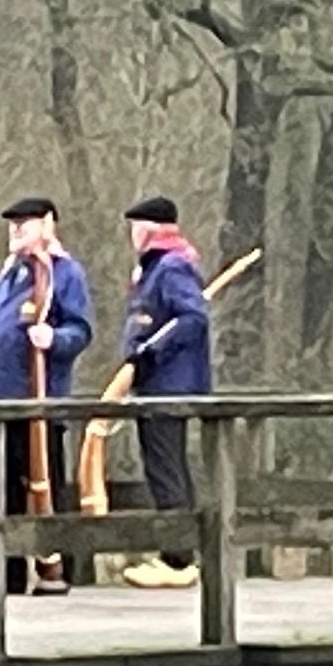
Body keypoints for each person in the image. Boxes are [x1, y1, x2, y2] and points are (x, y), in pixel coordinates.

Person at [0, 197, 93, 596]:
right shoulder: (10, 275)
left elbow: (81, 329)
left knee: (45, 485)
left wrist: (54, 339)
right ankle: (8, 575)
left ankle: (59, 568)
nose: (16, 230)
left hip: (37, 400)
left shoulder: (63, 274)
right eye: (13, 224)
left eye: (25, 223)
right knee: (2, 493)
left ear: (47, 225)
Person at [118, 196, 210, 589]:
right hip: (154, 383)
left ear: (152, 229)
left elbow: (192, 319)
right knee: (164, 464)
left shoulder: (171, 267)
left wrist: (150, 351)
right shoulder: (153, 268)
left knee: (165, 466)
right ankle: (178, 550)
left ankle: (177, 557)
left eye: (136, 227)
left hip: (168, 383)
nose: (132, 236)